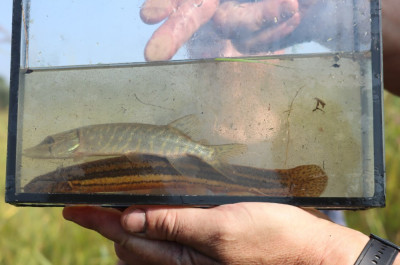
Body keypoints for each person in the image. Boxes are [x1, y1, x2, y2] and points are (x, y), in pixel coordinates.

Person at [63, 0, 400, 264]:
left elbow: (323, 227)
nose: (223, 53)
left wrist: (322, 254)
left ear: (279, 44)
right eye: (205, 38)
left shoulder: (309, 138)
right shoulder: (158, 146)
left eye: (242, 39)